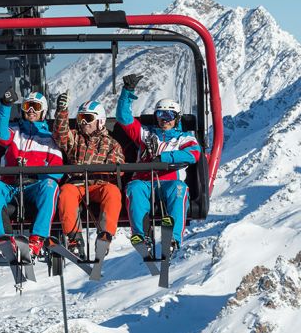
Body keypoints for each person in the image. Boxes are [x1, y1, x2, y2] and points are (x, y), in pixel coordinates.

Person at [116, 73, 202, 257]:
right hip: (145, 181)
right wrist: (127, 91)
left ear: (177, 117)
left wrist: (164, 158)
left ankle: (173, 237)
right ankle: (141, 236)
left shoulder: (184, 138)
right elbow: (124, 118)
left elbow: (193, 154)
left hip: (169, 181)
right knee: (135, 188)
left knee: (179, 189)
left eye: (169, 115)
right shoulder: (146, 135)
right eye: (161, 114)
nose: (165, 119)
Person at [0, 90, 64, 257]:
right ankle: (4, 237)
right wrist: (6, 106)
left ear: (43, 111)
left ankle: (36, 239)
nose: (31, 111)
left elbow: (57, 171)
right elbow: (0, 135)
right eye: (28, 106)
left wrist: (37, 175)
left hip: (33, 186)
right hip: (11, 185)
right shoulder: (14, 131)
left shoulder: (49, 139)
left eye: (36, 107)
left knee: (51, 185)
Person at [53, 98, 125, 258]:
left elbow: (118, 167)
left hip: (100, 184)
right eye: (80, 119)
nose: (84, 122)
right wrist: (62, 112)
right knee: (66, 192)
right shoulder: (75, 138)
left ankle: (105, 236)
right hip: (77, 184)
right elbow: (60, 136)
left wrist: (106, 169)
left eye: (89, 118)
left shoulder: (111, 144)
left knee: (113, 192)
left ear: (100, 121)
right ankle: (74, 238)